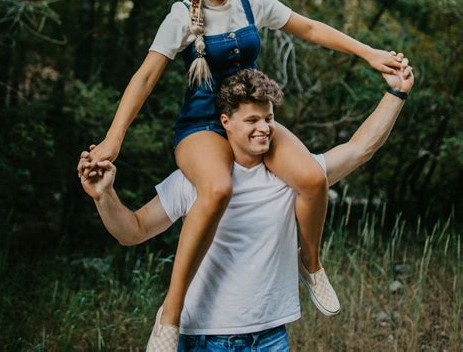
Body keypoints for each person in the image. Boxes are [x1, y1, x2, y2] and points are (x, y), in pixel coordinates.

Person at [78, 0, 406, 350]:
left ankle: (311, 263)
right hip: (202, 124)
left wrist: (369, 53)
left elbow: (309, 27)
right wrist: (113, 140)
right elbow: (144, 78)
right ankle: (171, 313)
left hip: (251, 116)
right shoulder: (180, 17)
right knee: (216, 189)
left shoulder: (252, 2)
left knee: (311, 178)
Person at [80, 64, 413, 352]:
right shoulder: (196, 179)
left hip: (270, 336)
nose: (264, 127)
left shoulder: (292, 177)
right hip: (205, 337)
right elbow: (132, 231)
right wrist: (104, 196)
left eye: (268, 118)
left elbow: (359, 149)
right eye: (252, 119)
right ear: (225, 121)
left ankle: (311, 264)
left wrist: (395, 94)